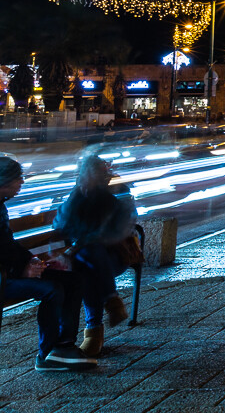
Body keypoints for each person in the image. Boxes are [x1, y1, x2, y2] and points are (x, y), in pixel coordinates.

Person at [0, 156, 95, 371]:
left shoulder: (1, 205)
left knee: (74, 280)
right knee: (52, 290)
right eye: (18, 179)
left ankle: (64, 345)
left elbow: (8, 244)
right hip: (4, 276)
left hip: (12, 271)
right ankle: (47, 353)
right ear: (4, 181)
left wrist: (32, 260)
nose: (21, 183)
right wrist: (22, 269)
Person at [52, 152, 137, 357]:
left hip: (114, 257)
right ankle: (111, 300)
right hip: (83, 258)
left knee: (91, 256)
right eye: (83, 178)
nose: (86, 182)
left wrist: (73, 249)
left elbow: (106, 234)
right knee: (85, 266)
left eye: (92, 178)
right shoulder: (77, 196)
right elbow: (59, 226)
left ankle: (94, 332)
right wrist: (75, 195)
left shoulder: (116, 194)